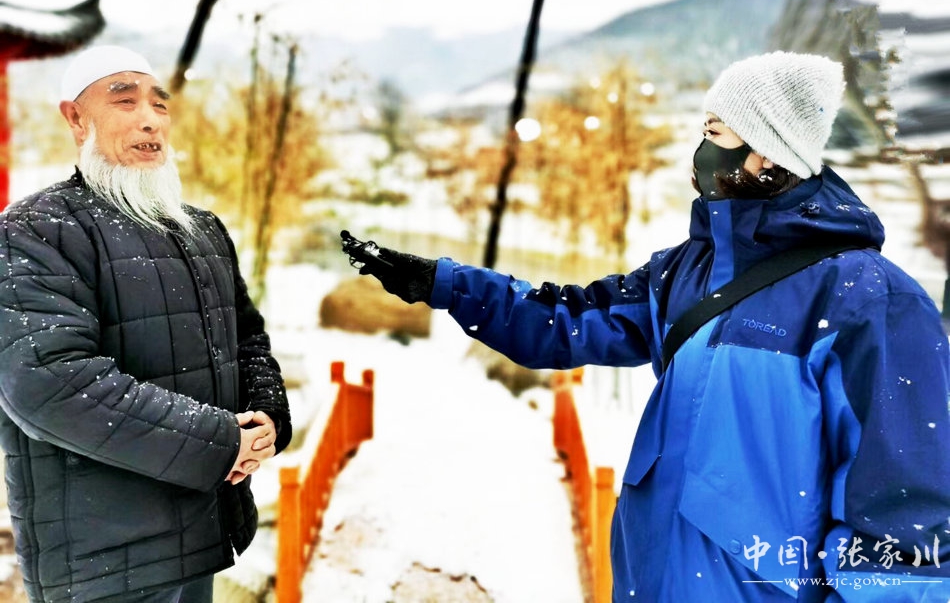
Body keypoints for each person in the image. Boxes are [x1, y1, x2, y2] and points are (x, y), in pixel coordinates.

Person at [342, 51, 950, 601]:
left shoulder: (869, 300)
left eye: (714, 132)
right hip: (649, 581)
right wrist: (443, 283)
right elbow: (568, 319)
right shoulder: (689, 269)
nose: (700, 151)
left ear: (767, 150)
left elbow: (907, 522)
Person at [0, 45, 293, 603]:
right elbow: (48, 381)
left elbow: (248, 338)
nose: (150, 119)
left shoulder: (201, 229)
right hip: (103, 563)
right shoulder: (36, 229)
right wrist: (221, 443)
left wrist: (267, 418)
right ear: (75, 118)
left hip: (203, 534)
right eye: (125, 101)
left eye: (159, 104)